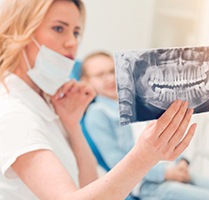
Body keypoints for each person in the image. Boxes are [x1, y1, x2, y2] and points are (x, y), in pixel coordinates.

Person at [0, 0, 197, 199]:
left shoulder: (46, 105)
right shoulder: (13, 114)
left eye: (76, 33)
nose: (72, 42)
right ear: (19, 31)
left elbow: (88, 183)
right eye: (59, 28)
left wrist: (72, 125)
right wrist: (145, 156)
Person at [81, 51, 209, 200]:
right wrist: (166, 173)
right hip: (148, 184)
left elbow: (170, 134)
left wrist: (183, 162)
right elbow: (116, 162)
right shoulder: (98, 114)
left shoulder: (142, 101)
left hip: (176, 170)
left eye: (111, 71)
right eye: (99, 75)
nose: (108, 78)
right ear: (86, 81)